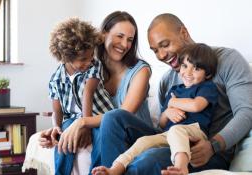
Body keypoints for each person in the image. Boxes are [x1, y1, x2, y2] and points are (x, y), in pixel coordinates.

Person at [98, 13, 252, 175]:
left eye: (165, 44)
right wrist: (167, 112)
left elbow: (246, 112)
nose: (161, 55)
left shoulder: (227, 60)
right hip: (170, 139)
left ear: (183, 33)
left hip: (206, 151)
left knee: (149, 160)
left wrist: (213, 146)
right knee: (113, 117)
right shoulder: (167, 80)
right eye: (155, 50)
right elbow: (163, 127)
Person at [38, 11, 153, 174]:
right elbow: (69, 103)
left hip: (136, 134)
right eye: (119, 36)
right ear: (103, 34)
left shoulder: (140, 71)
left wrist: (83, 122)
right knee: (69, 131)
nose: (125, 44)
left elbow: (122, 116)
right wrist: (58, 128)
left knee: (107, 125)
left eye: (130, 39)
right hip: (107, 129)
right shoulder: (90, 65)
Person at [92, 43, 218, 175]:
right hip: (168, 134)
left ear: (208, 74)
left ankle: (181, 167)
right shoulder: (175, 90)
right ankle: (115, 169)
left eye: (196, 69)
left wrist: (173, 102)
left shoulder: (206, 87)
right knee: (143, 141)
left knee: (177, 130)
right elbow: (162, 123)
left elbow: (196, 106)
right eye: (185, 66)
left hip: (194, 133)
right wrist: (168, 112)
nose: (188, 73)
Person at [48, 17, 114, 175]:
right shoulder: (56, 79)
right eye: (83, 59)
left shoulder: (94, 65)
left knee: (101, 139)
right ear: (65, 57)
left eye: (91, 56)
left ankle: (97, 172)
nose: (89, 61)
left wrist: (85, 124)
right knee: (64, 138)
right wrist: (57, 127)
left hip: (99, 116)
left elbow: (88, 93)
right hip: (73, 118)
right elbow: (57, 111)